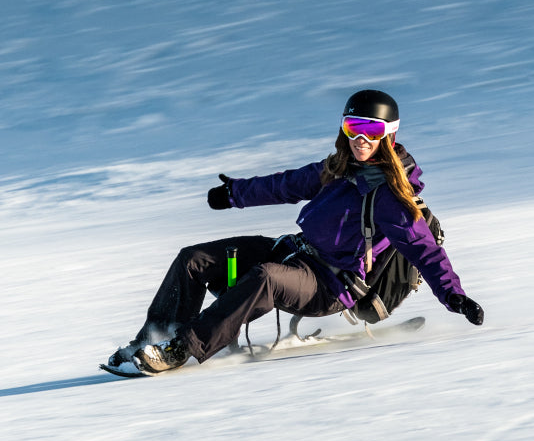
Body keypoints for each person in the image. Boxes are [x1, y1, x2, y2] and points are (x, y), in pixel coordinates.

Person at [107, 89, 484, 373]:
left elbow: (425, 251)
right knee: (194, 259)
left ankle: (180, 349)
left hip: (329, 284)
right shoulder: (337, 167)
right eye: (354, 127)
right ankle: (153, 340)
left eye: (371, 130)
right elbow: (285, 184)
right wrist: (234, 193)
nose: (361, 139)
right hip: (295, 251)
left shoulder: (390, 196)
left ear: (388, 134)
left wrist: (455, 297)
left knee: (265, 278)